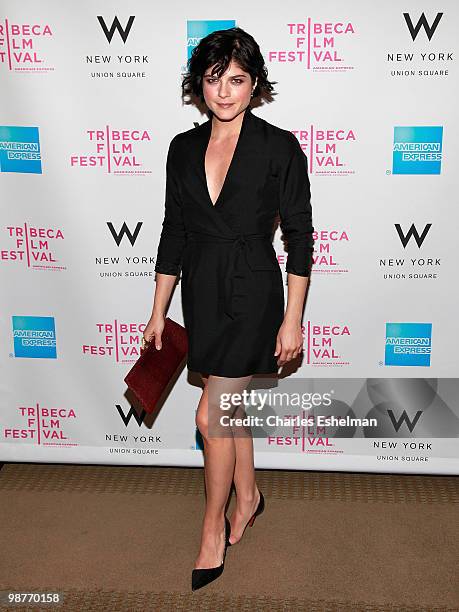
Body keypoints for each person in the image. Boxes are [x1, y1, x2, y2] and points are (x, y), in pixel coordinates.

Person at [143, 27, 314, 591]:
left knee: (211, 416)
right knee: (230, 406)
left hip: (255, 290)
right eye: (214, 78)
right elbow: (173, 233)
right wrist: (157, 311)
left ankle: (211, 529)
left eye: (236, 80)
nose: (224, 91)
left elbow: (300, 235)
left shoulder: (278, 146)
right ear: (199, 82)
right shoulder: (182, 148)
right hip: (203, 292)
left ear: (255, 83)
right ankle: (250, 496)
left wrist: (293, 318)